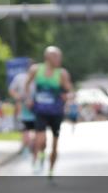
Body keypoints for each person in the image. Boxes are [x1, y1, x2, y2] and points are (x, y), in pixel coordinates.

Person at [25, 46, 74, 177]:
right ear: (47, 57)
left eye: (60, 56)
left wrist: (67, 96)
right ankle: (41, 155)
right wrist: (29, 98)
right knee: (41, 140)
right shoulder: (36, 70)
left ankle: (51, 170)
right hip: (40, 110)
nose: (59, 59)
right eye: (56, 56)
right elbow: (27, 85)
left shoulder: (62, 73)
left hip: (56, 112)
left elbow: (70, 90)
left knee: (55, 144)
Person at [9, 67, 36, 157]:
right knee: (25, 127)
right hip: (23, 105)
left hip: (36, 106)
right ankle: (26, 145)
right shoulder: (20, 78)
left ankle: (29, 144)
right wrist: (18, 97)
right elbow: (12, 90)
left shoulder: (39, 79)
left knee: (31, 128)